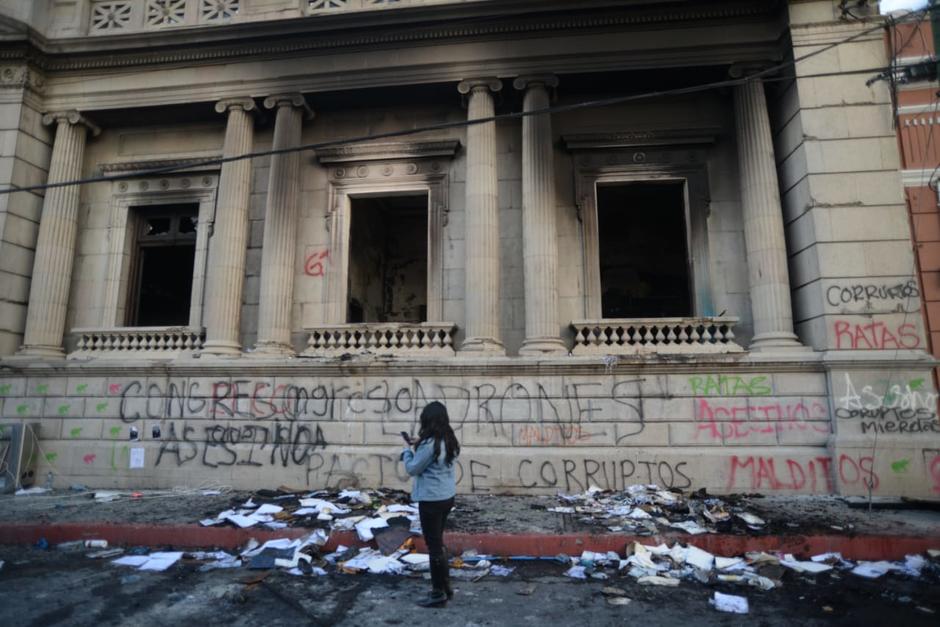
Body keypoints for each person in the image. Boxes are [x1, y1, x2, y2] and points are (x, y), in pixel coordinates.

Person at [400, 401, 460, 608]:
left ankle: (437, 593)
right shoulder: (448, 439)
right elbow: (434, 455)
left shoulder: (430, 445)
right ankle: (446, 586)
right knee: (438, 542)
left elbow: (413, 468)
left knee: (433, 546)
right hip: (446, 497)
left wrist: (407, 451)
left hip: (431, 500)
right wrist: (420, 442)